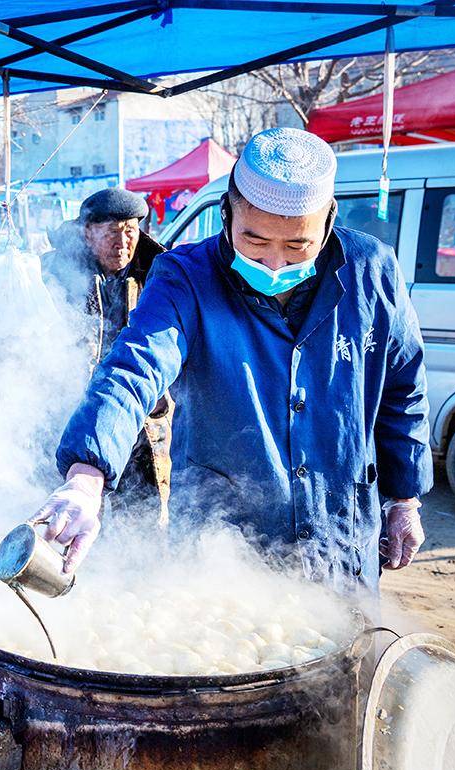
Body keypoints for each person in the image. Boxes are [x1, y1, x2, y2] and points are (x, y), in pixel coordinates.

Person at [30, 128, 430, 593]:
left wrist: (404, 499)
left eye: (299, 246)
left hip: (339, 544)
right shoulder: (185, 278)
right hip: (220, 552)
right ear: (226, 215)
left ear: (328, 220)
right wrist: (84, 479)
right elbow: (132, 369)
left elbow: (404, 388)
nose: (275, 264)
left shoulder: (372, 271)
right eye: (255, 242)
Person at [42, 188, 172, 522]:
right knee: (76, 513)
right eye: (113, 233)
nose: (123, 243)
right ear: (87, 233)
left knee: (141, 516)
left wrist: (163, 393)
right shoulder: (51, 275)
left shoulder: (155, 274)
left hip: (134, 417)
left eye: (130, 232)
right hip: (70, 419)